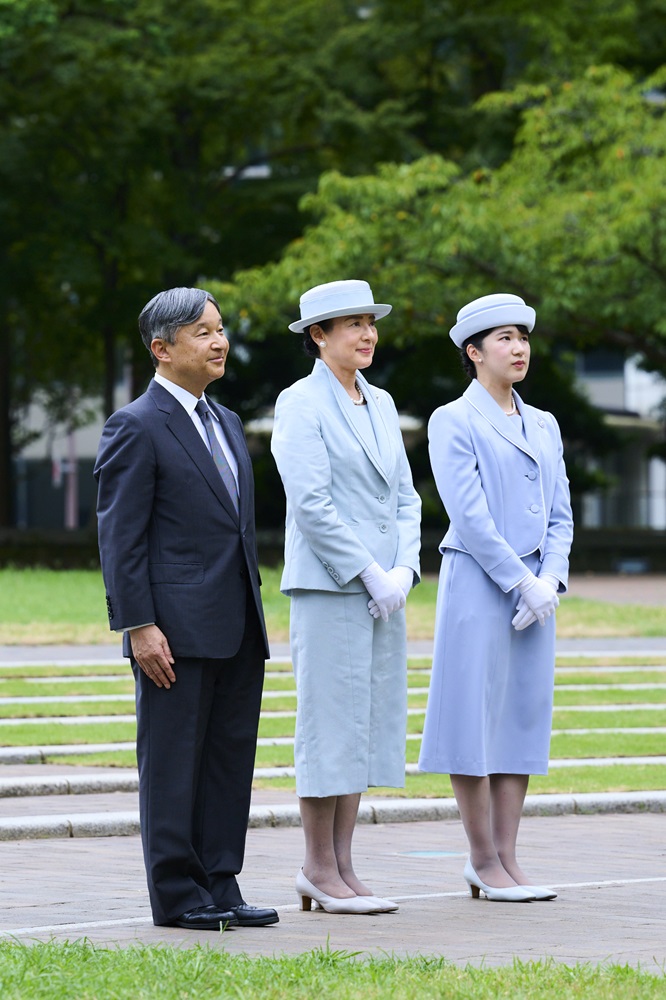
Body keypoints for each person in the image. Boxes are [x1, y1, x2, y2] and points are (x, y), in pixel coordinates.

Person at [94, 287, 278, 930]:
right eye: (203, 332)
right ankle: (177, 894)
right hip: (171, 630)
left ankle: (221, 882)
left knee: (228, 760)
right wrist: (138, 625)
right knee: (173, 765)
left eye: (220, 329)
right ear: (162, 348)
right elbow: (120, 537)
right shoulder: (135, 425)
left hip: (238, 623)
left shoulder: (226, 422)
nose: (219, 342)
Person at [270, 279, 421, 915]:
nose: (367, 334)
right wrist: (367, 570)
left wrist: (404, 569)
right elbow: (311, 503)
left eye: (369, 322)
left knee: (365, 723)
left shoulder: (380, 401)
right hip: (330, 585)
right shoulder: (299, 402)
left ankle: (345, 865)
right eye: (352, 324)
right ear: (318, 335)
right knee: (329, 724)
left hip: (384, 590)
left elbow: (407, 496)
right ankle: (317, 866)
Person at [419, 293, 573, 903]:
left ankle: (509, 857)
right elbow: (470, 516)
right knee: (472, 717)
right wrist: (520, 580)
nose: (518, 348)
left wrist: (549, 580)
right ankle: (482, 859)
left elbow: (561, 513)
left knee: (521, 716)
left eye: (523, 337)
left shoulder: (545, 423)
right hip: (480, 584)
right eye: (504, 338)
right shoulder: (452, 419)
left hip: (537, 594)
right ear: (474, 351)